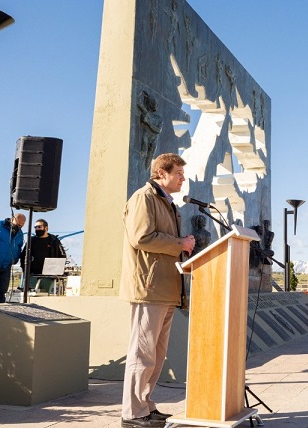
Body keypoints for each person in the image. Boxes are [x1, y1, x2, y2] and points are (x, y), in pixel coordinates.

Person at [120, 153, 195, 428]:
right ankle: (132, 413)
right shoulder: (144, 198)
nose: (182, 178)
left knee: (157, 354)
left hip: (166, 288)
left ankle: (146, 405)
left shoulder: (167, 202)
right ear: (161, 173)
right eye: (178, 173)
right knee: (142, 353)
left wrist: (182, 245)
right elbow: (141, 237)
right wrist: (180, 243)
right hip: (148, 287)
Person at [20, 219, 66, 294]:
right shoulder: (32, 241)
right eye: (35, 227)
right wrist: (25, 270)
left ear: (46, 228)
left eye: (39, 227)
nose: (37, 229)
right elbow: (23, 256)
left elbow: (62, 256)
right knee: (30, 296)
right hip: (32, 276)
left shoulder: (54, 241)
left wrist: (57, 270)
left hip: (48, 276)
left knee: (45, 295)